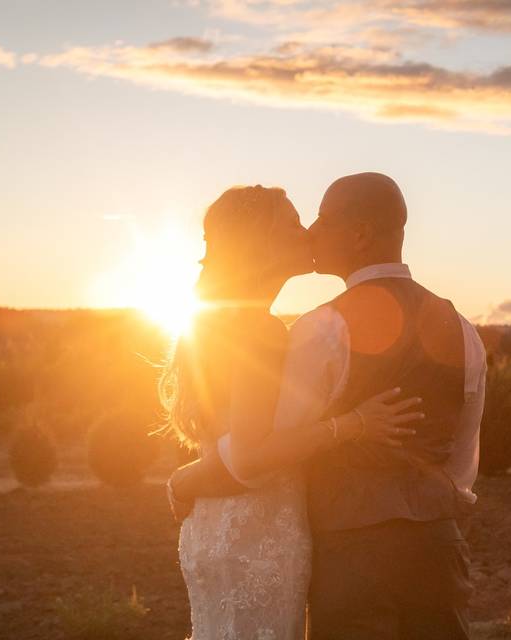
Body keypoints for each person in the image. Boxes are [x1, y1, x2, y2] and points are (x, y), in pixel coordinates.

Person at [169, 172, 488, 639]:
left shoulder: (321, 328)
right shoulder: (462, 327)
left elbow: (257, 453)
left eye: (320, 219)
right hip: (439, 548)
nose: (312, 232)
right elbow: (463, 457)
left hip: (350, 553)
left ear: (359, 234)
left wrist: (187, 477)